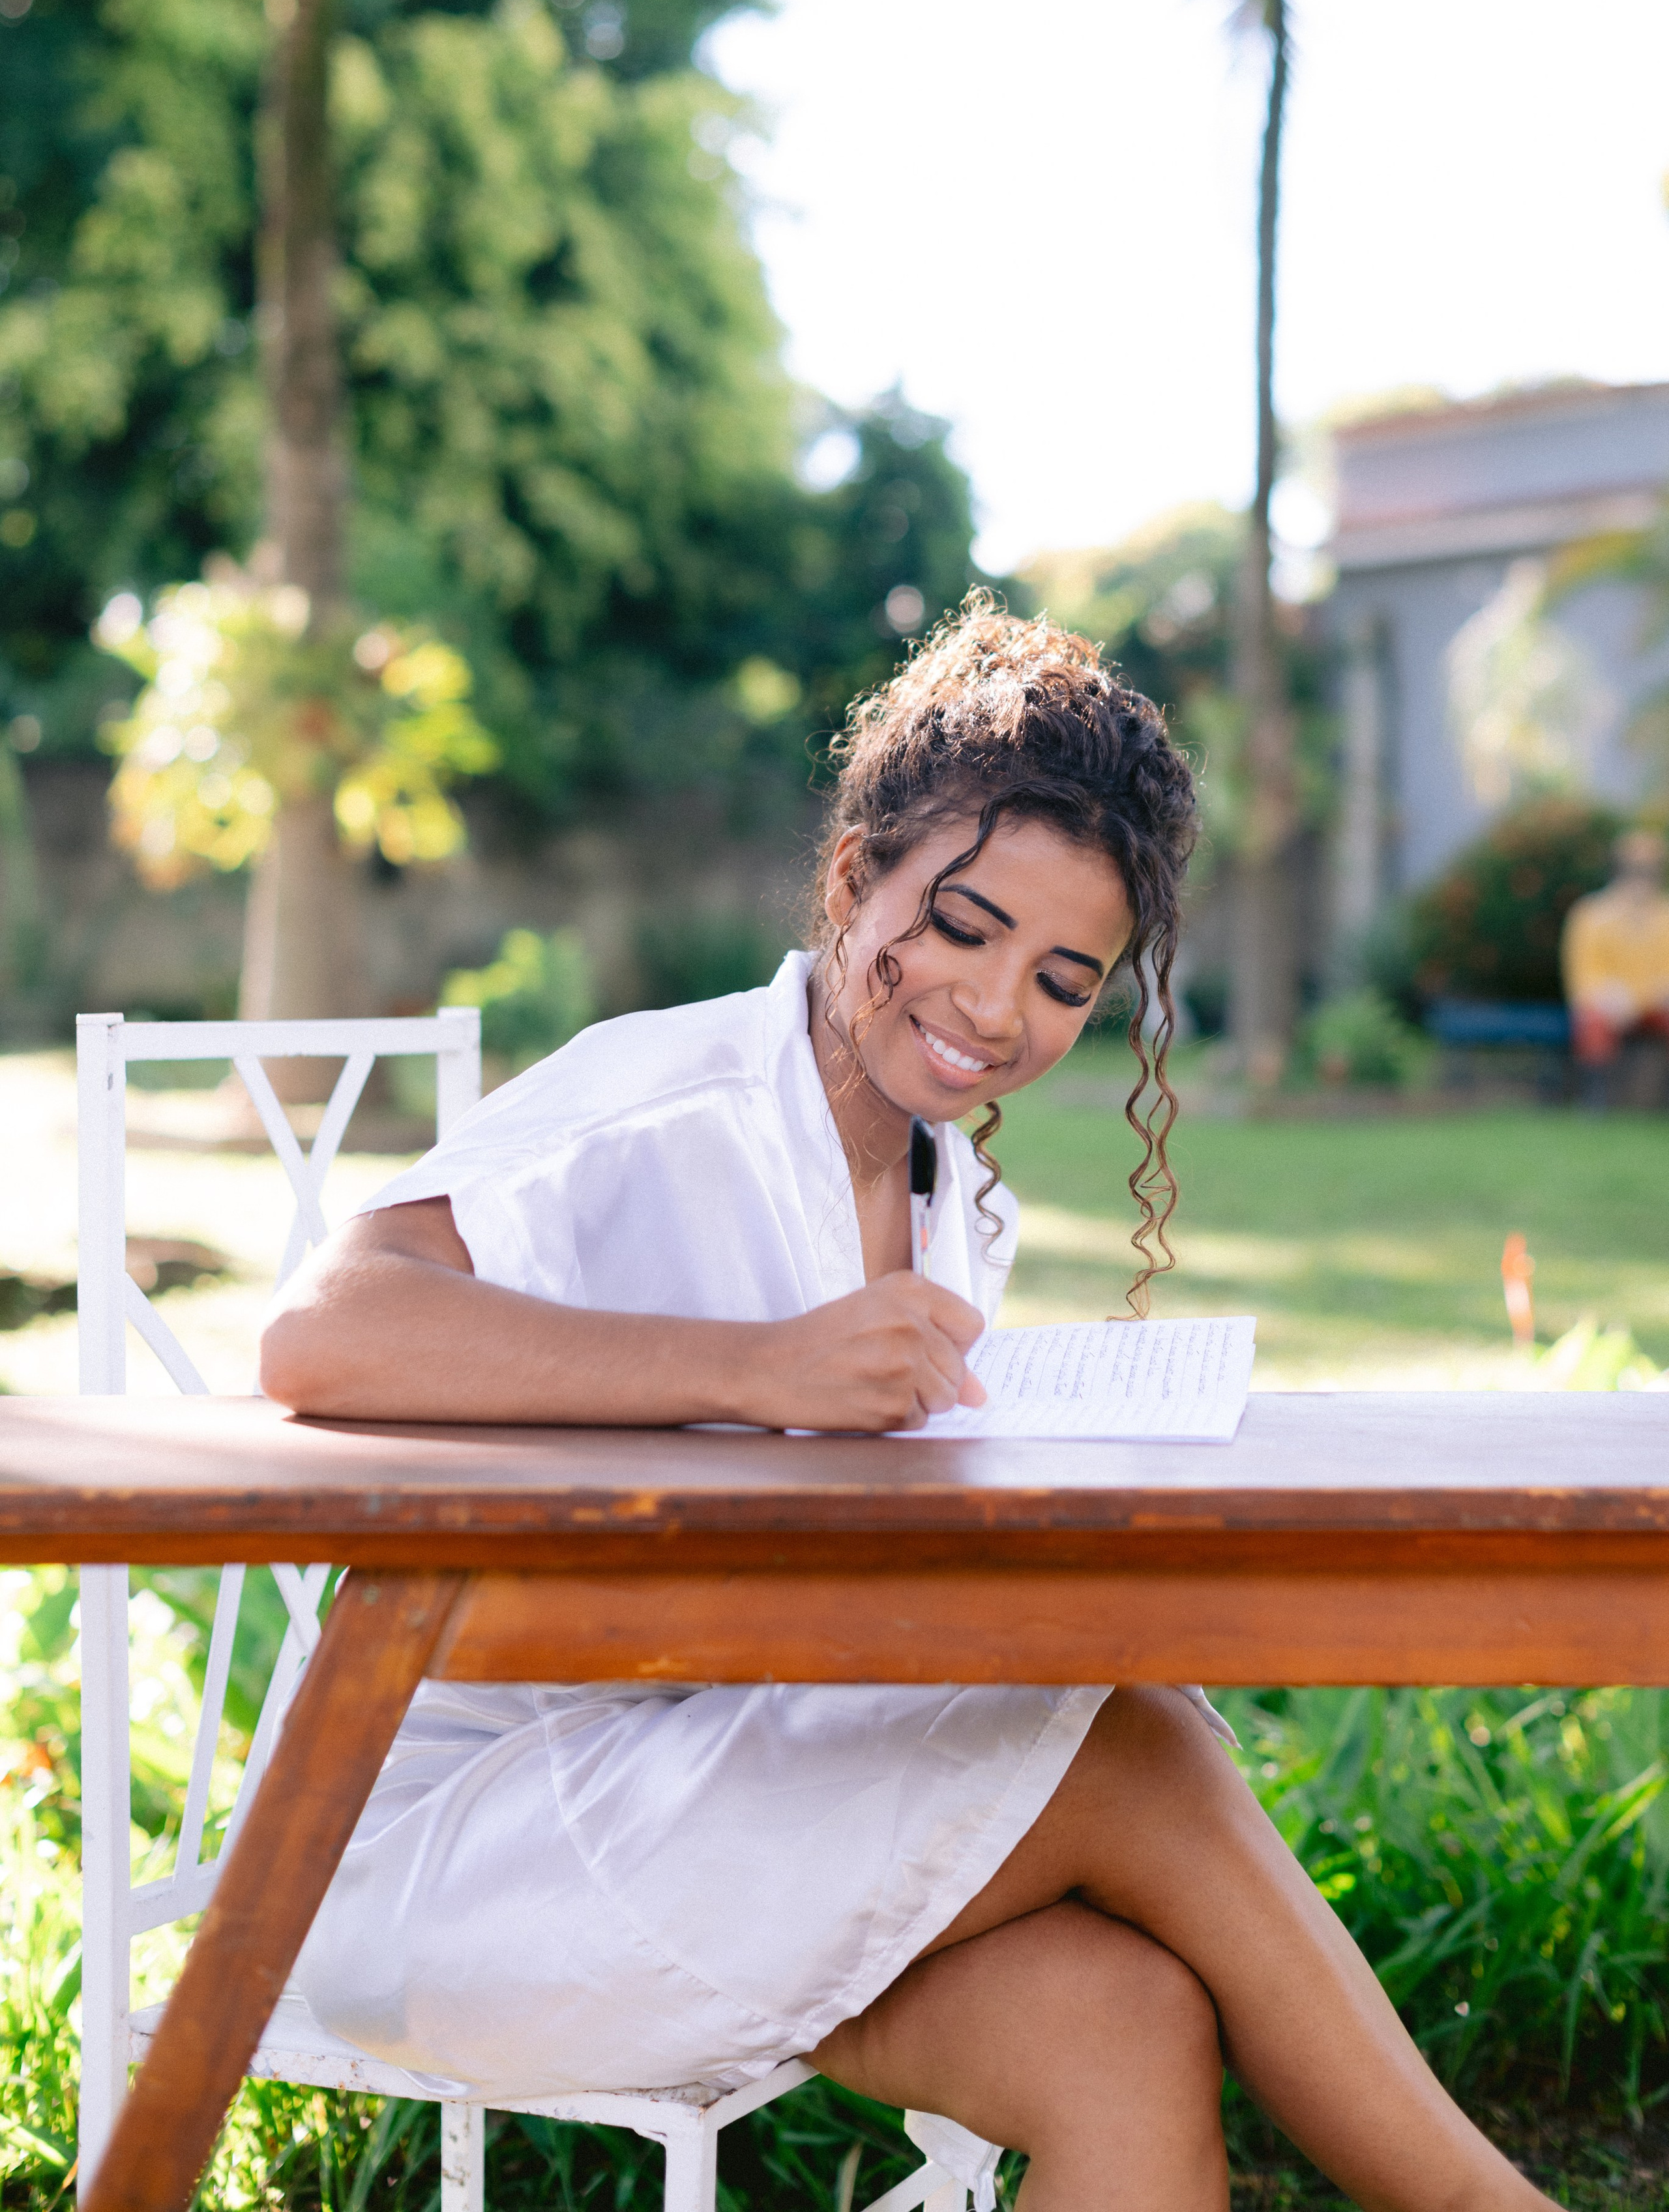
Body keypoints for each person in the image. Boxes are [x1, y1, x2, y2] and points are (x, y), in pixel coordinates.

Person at [263, 602, 1557, 2212]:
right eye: (958, 922)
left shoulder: (957, 1212)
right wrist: (752, 1366)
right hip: (442, 1860)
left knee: (1119, 2020)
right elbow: (323, 1329)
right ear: (852, 872)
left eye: (1061, 976)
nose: (998, 1005)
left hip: (727, 1801)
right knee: (1134, 1748)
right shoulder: (672, 1099)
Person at [1561, 829, 1669, 1102]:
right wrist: (1608, 997)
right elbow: (1583, 976)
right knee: (1593, 1022)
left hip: (1655, 1005)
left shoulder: (1665, 914)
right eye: (1635, 870)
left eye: (1648, 870)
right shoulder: (1591, 914)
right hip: (1609, 1005)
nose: (1641, 878)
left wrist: (1654, 994)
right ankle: (1596, 1100)